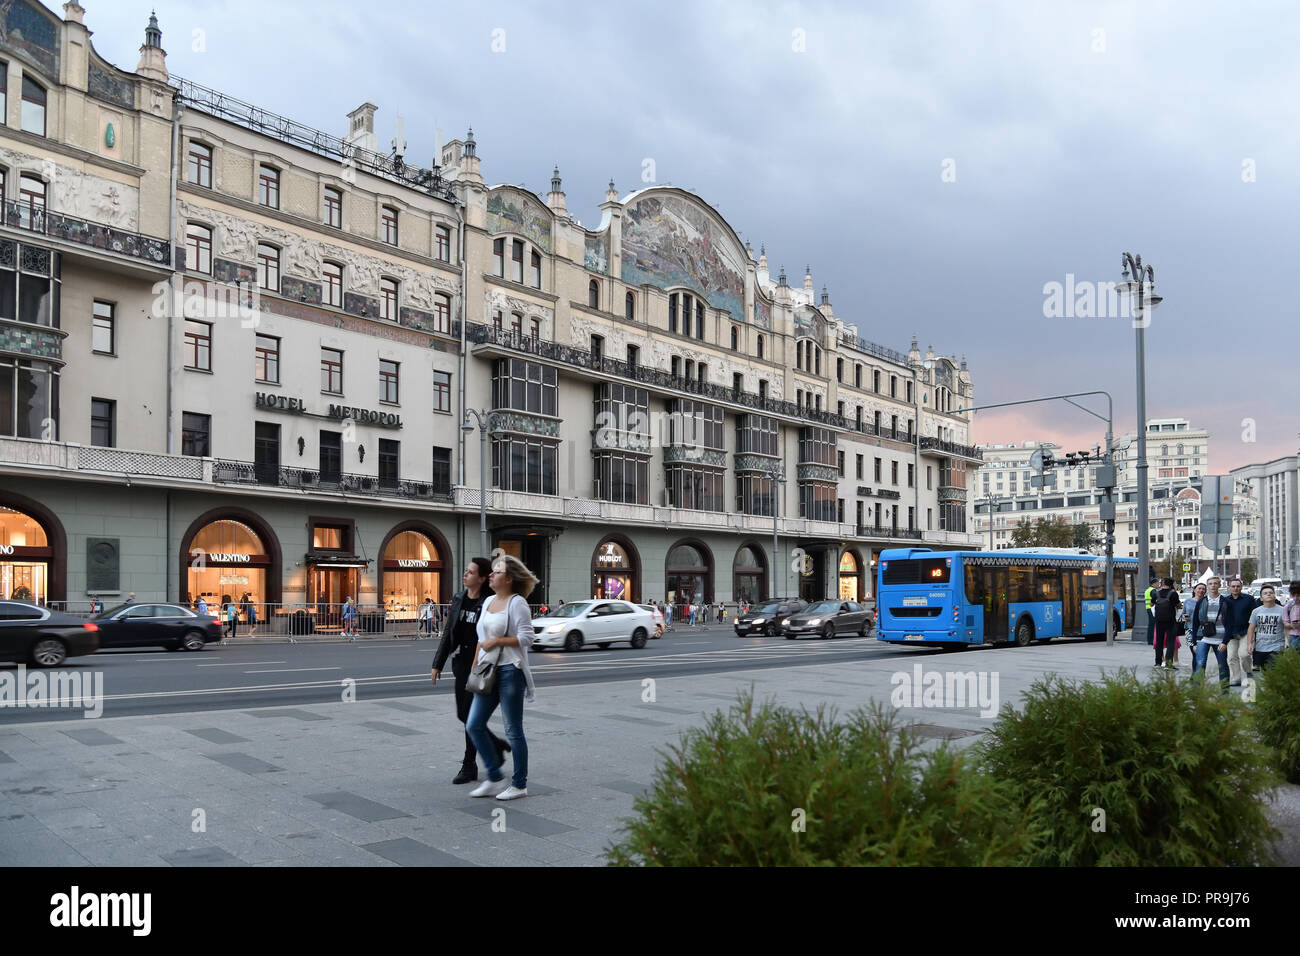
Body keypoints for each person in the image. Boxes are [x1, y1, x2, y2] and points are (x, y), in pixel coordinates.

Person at [466, 554, 538, 801]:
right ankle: (495, 777)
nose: (492, 575)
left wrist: (498, 640)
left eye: (497, 572)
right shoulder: (487, 603)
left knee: (513, 729)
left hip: (510, 670)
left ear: (508, 579)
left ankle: (519, 784)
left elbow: (528, 637)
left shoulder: (517, 603)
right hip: (487, 671)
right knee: (473, 724)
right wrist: (475, 664)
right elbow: (480, 637)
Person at [432, 558, 508, 785]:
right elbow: (448, 633)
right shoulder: (459, 599)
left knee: (470, 717)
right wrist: (438, 663)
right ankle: (496, 745)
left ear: (482, 578)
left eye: (470, 572)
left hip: (482, 664)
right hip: (462, 663)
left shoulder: (489, 602)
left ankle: (469, 765)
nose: (465, 574)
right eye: (465, 571)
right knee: (463, 715)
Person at [1189, 582, 1229, 693]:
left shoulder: (1225, 601)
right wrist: (1194, 642)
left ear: (1219, 585)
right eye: (1210, 584)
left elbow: (1230, 623)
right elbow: (1195, 622)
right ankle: (1197, 691)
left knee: (1222, 665)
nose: (1213, 586)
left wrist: (1225, 641)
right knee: (1200, 663)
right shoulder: (1202, 601)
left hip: (1220, 638)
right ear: (1208, 586)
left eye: (1215, 583)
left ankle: (1225, 691)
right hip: (1203, 637)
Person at [1221, 578, 1258, 686]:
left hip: (1246, 632)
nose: (1235, 588)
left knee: (1244, 654)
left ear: (1241, 587)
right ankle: (1236, 678)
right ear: (1229, 588)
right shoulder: (1225, 600)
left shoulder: (1249, 599)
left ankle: (1248, 671)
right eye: (1233, 586)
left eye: (1238, 586)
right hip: (1230, 633)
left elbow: (1255, 614)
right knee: (1232, 657)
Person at [1247, 584, 1286, 670]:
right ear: (1261, 598)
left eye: (1271, 593)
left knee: (1274, 670)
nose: (1268, 594)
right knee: (1265, 673)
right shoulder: (1256, 611)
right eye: (1265, 593)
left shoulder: (1282, 610)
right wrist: (1249, 643)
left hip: (1277, 646)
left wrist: (1288, 643)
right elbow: (1251, 628)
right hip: (1260, 647)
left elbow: (1286, 628)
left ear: (1275, 596)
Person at [1151, 577, 1180, 668]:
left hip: (1159, 620)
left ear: (1163, 583)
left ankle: (1158, 663)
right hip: (1170, 620)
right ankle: (1168, 664)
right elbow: (1178, 605)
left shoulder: (1157, 593)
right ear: (1172, 584)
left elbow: (1151, 604)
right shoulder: (1173, 594)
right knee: (1171, 642)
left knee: (1159, 641)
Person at [1283, 582, 1300, 651]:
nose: (1296, 598)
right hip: (1293, 636)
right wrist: (1292, 625)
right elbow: (1285, 623)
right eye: (1293, 595)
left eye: (1298, 595)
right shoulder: (1288, 607)